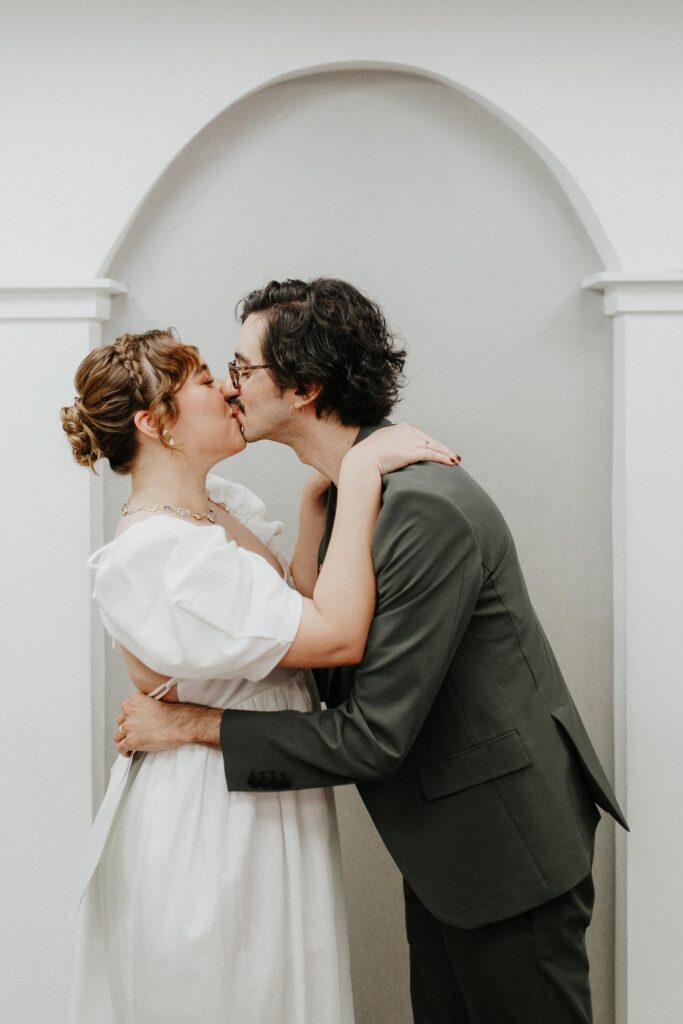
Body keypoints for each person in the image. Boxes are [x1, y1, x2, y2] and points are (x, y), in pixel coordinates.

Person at [117, 279, 629, 1024]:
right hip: (450, 854)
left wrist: (190, 725)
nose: (229, 388)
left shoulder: (421, 510)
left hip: (504, 848)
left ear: (305, 389)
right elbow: (316, 643)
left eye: (242, 370)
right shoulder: (343, 497)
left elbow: (373, 735)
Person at [60, 327, 458, 1024]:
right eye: (203, 380)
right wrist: (361, 476)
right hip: (213, 816)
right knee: (232, 993)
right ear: (155, 423)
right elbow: (334, 636)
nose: (227, 388)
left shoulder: (216, 507)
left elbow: (290, 613)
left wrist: (314, 505)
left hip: (263, 791)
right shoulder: (159, 555)